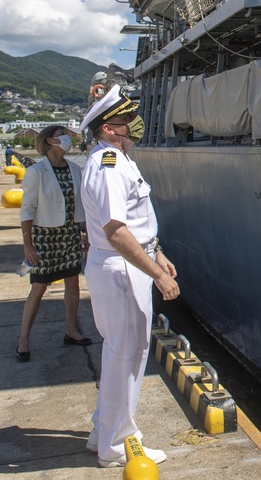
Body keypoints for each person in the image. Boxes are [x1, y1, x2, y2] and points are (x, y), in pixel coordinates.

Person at [79, 85, 177, 468]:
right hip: (122, 271)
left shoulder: (118, 160)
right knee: (127, 355)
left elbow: (136, 222)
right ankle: (117, 445)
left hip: (127, 265)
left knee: (119, 352)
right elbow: (116, 231)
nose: (133, 124)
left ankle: (103, 428)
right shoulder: (107, 165)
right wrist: (157, 274)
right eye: (125, 119)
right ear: (108, 128)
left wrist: (158, 252)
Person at [17, 125, 90, 362]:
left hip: (69, 234)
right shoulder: (36, 172)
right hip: (44, 236)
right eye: (62, 136)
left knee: (72, 282)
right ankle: (24, 340)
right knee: (38, 287)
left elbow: (81, 203)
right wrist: (27, 243)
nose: (67, 139)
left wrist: (86, 233)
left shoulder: (74, 170)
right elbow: (27, 208)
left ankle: (71, 330)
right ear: (49, 141)